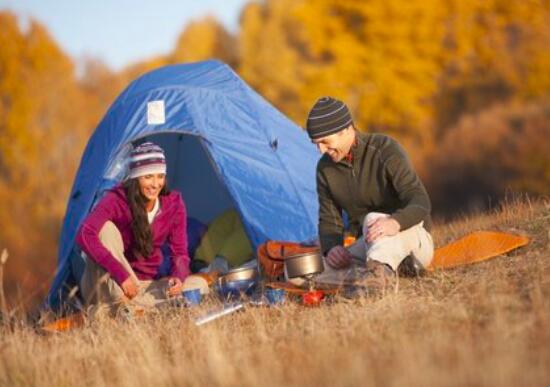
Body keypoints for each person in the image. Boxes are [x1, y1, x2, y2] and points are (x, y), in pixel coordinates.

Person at [305, 97, 434, 291]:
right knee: (311, 272)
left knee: (372, 219)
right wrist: (332, 248)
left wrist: (395, 222)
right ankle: (374, 277)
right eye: (316, 143)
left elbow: (420, 200)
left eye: (325, 141)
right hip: (368, 245)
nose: (321, 149)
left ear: (346, 129)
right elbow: (329, 220)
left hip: (412, 237)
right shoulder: (324, 169)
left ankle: (380, 278)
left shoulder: (385, 149)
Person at [76, 142, 207, 315]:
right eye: (148, 177)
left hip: (143, 286)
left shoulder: (173, 204)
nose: (155, 184)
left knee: (200, 285)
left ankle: (120, 311)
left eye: (160, 176)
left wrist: (178, 276)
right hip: (108, 282)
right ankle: (129, 307)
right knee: (105, 229)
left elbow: (180, 253)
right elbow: (84, 234)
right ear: (136, 178)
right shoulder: (117, 199)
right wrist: (120, 274)